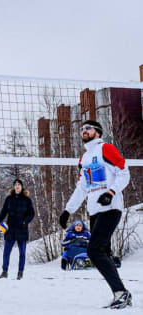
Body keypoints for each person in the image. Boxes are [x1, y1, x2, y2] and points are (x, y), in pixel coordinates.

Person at [59, 120, 131, 309]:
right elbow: (82, 187)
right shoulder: (83, 159)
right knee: (103, 253)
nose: (84, 130)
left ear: (97, 132)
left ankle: (121, 293)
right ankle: (121, 293)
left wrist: (110, 193)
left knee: (94, 250)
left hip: (110, 207)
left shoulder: (106, 148)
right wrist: (68, 210)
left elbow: (124, 173)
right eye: (82, 129)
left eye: (88, 128)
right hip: (95, 210)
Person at [0, 179, 35, 280]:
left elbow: (31, 213)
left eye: (19, 185)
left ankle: (20, 273)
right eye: (15, 185)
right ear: (14, 187)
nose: (17, 186)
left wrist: (25, 222)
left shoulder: (27, 199)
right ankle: (4, 272)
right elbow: (3, 212)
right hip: (10, 229)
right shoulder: (9, 199)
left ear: (22, 186)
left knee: (22, 253)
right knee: (6, 251)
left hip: (22, 229)